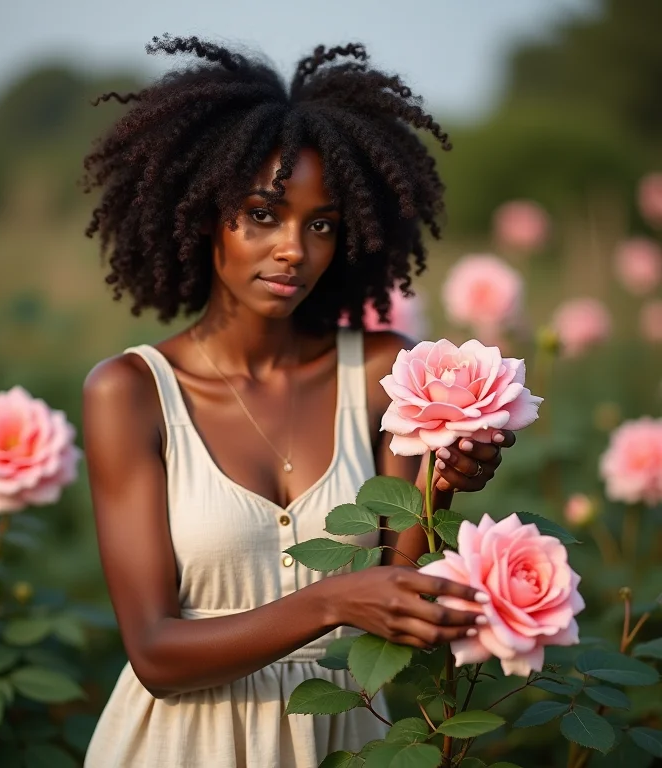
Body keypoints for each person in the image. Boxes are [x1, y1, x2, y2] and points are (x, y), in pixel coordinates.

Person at [80, 35, 515, 768]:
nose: (294, 249)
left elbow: (397, 597)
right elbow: (155, 653)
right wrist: (330, 603)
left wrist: (443, 482)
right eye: (262, 214)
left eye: (321, 224)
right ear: (199, 213)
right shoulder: (130, 394)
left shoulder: (384, 373)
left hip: (345, 738)